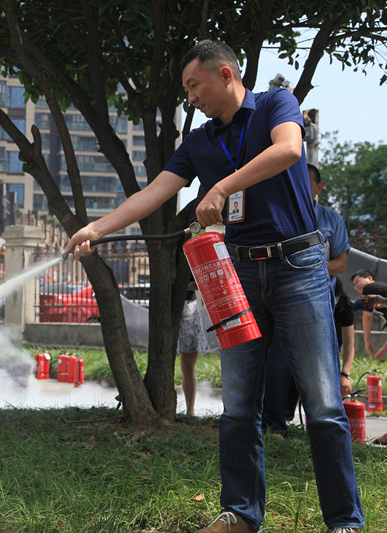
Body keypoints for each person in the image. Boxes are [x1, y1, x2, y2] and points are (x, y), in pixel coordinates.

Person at [65, 40, 363, 533]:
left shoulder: (275, 104)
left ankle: (344, 522)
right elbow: (154, 192)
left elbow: (289, 149)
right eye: (186, 90)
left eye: (194, 85)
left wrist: (223, 186)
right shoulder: (199, 142)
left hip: (299, 267)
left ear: (225, 74)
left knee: (324, 404)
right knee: (238, 406)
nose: (190, 98)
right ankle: (240, 515)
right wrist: (97, 228)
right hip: (238, 275)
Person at [261, 163, 351, 435]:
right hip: (281, 301)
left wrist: (307, 267)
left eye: (305, 182)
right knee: (278, 364)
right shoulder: (277, 214)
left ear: (319, 188)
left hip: (319, 304)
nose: (297, 186)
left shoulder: (331, 219)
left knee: (321, 365)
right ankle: (274, 425)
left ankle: (324, 430)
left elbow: (341, 263)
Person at [178, 280, 210, 416]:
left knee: (188, 368)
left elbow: (201, 283)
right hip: (168, 306)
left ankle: (190, 412)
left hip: (188, 307)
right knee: (163, 365)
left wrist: (181, 286)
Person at [350, 269, 387, 360]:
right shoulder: (379, 291)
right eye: (354, 285)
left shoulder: (369, 288)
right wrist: (385, 348)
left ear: (370, 278)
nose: (357, 286)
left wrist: (367, 341)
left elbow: (367, 316)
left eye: (358, 281)